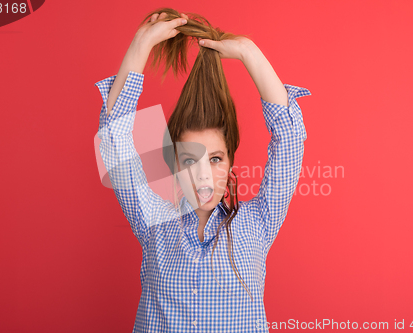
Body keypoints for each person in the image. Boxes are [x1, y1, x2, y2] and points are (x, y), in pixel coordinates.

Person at [95, 7, 311, 332]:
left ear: (231, 160)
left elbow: (290, 136)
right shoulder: (151, 220)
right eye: (189, 160)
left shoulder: (259, 222)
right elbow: (114, 134)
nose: (203, 176)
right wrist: (141, 45)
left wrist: (247, 51)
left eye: (215, 159)